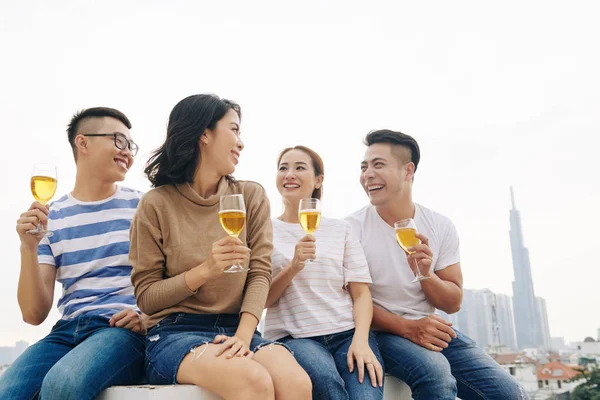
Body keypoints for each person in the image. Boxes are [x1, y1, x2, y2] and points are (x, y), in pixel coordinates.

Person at [130, 94, 311, 400]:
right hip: (175, 331)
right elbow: (147, 298)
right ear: (204, 134)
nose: (241, 143)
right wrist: (205, 271)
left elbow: (259, 273)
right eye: (234, 130)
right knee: (253, 381)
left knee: (297, 384)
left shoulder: (250, 195)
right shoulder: (155, 204)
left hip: (238, 326)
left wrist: (243, 336)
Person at [345, 129, 528, 399]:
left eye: (378, 164)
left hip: (430, 327)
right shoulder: (351, 229)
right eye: (364, 166)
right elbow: (348, 301)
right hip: (379, 330)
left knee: (510, 393)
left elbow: (452, 302)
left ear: (408, 171)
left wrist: (426, 274)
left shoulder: (439, 225)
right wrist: (407, 328)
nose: (367, 174)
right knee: (434, 374)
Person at [0, 107, 146, 400]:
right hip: (67, 331)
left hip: (121, 330)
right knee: (8, 392)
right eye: (118, 141)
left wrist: (147, 316)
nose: (128, 153)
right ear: (83, 143)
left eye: (131, 145)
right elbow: (33, 314)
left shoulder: (143, 207)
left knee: (63, 385)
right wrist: (28, 248)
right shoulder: (53, 217)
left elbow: (168, 276)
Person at [263, 145, 384, 400]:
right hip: (294, 337)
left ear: (318, 180)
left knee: (367, 394)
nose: (289, 174)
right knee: (328, 386)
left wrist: (360, 341)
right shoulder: (264, 231)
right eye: (283, 168)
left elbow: (361, 294)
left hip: (346, 333)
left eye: (299, 168)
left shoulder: (340, 229)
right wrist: (293, 266)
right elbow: (263, 300)